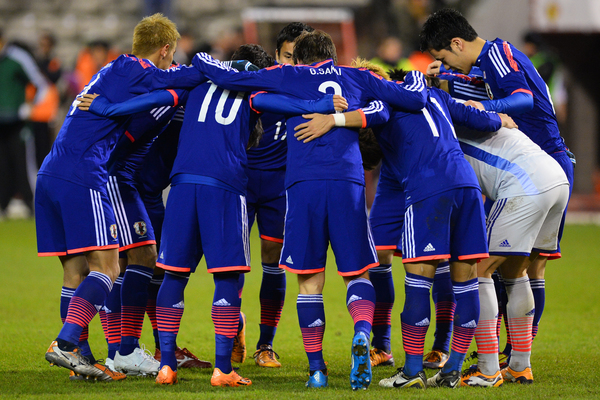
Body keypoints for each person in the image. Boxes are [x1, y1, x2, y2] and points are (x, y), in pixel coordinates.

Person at [192, 30, 430, 390]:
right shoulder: (356, 75)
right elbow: (406, 103)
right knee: (358, 274)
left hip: (302, 185)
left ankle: (317, 370)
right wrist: (364, 107)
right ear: (332, 56)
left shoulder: (287, 75)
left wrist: (199, 58)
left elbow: (234, 81)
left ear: (299, 59)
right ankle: (363, 333)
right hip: (348, 183)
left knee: (309, 281)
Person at [291, 65, 516, 389]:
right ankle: (452, 368)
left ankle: (411, 371)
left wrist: (334, 118)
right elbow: (477, 118)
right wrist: (500, 119)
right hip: (467, 186)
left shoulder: (381, 103)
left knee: (418, 279)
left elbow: (371, 118)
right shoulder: (437, 95)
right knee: (466, 280)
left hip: (427, 190)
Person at [40, 13, 207, 381]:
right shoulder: (138, 70)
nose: (172, 62)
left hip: (54, 170)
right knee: (112, 265)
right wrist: (220, 66)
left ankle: (82, 356)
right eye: (171, 55)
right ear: (165, 50)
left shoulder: (113, 71)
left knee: (77, 268)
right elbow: (189, 76)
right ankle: (92, 347)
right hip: (89, 174)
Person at [419, 8, 576, 382]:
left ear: (457, 43)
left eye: (443, 57)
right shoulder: (484, 65)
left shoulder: (496, 54)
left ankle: (498, 361)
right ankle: (518, 361)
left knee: (491, 266)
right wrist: (446, 81)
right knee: (517, 268)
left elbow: (520, 100)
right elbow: (472, 91)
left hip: (531, 165)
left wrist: (484, 108)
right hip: (544, 168)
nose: (444, 63)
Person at [245, 21, 314, 369]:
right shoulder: (258, 83)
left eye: (300, 57)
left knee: (273, 260)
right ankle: (231, 327)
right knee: (232, 261)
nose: (294, 64)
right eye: (289, 56)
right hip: (239, 180)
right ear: (276, 55)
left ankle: (265, 344)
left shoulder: (312, 88)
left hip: (278, 186)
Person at [0, 30, 48, 218]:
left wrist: (29, 106)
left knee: (23, 163)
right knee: (1, 164)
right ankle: (2, 205)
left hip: (17, 121)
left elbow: (40, 84)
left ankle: (33, 204)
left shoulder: (18, 58)